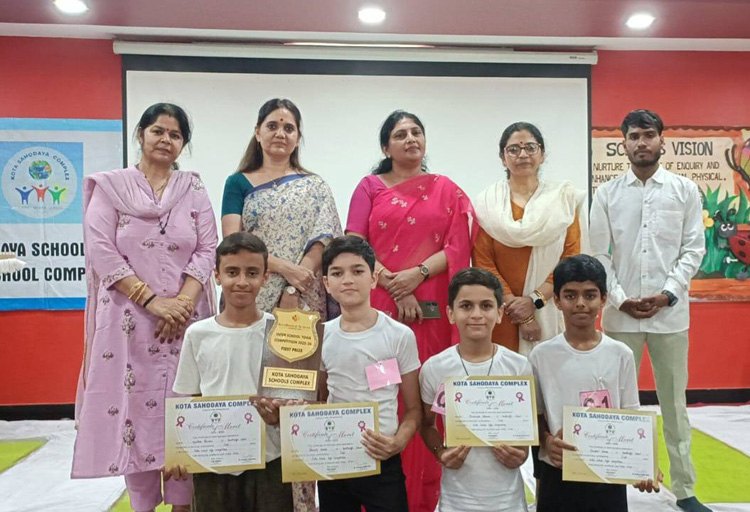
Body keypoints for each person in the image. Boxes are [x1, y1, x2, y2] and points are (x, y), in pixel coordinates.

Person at [72, 103, 218, 512]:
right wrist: (153, 302)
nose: (166, 140)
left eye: (175, 134)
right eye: (158, 131)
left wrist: (181, 304)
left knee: (184, 402)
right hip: (129, 320)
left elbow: (208, 246)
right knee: (133, 407)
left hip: (186, 321)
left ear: (183, 144)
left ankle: (184, 504)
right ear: (141, 134)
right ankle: (142, 504)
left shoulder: (193, 188)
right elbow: (101, 248)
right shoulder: (110, 187)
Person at [345, 110, 474, 512]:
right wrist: (392, 284)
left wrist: (415, 275)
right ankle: (376, 492)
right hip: (382, 306)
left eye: (416, 132)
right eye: (400, 134)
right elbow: (355, 245)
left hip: (430, 310)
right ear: (386, 147)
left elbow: (458, 245)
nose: (410, 139)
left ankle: (423, 497)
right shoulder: (369, 187)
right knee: (384, 389)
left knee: (428, 392)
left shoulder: (446, 190)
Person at [221, 98, 341, 510]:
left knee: (297, 401)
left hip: (303, 305)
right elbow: (233, 243)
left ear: (298, 137)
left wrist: (295, 285)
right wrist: (285, 270)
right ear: (257, 132)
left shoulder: (315, 184)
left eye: (289, 127)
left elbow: (324, 238)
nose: (280, 133)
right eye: (272, 125)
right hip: (250, 295)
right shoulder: (238, 183)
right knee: (250, 393)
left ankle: (301, 504)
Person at [589, 110, 709, 512]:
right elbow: (599, 254)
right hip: (619, 316)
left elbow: (693, 249)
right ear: (623, 144)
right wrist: (619, 298)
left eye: (649, 135)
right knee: (611, 403)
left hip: (670, 317)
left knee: (674, 404)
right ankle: (607, 484)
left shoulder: (684, 190)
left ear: (662, 141)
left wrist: (668, 294)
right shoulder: (607, 194)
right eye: (634, 136)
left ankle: (685, 490)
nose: (642, 142)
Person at [168, 232, 293, 511]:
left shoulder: (283, 334)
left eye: (252, 273)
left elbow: (294, 400)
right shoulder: (198, 334)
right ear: (216, 276)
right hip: (213, 462)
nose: (242, 281)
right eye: (232, 272)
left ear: (265, 277)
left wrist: (280, 416)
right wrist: (180, 450)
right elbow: (190, 400)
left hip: (270, 459)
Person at [529, 255, 661, 511]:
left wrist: (643, 465)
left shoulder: (621, 354)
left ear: (603, 299)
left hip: (608, 474)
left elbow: (631, 415)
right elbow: (536, 414)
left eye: (589, 295)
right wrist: (547, 441)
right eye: (570, 295)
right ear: (557, 300)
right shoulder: (541, 356)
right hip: (559, 470)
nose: (580, 303)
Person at [319, 235, 422, 512]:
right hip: (335, 462)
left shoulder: (399, 335)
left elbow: (414, 409)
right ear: (326, 283)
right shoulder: (321, 336)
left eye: (357, 271)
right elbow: (318, 401)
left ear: (374, 278)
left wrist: (397, 443)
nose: (347, 280)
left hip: (383, 461)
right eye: (337, 273)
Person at [419, 267, 531, 511]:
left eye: (486, 306)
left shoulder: (519, 366)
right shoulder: (435, 368)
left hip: (508, 501)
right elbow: (426, 424)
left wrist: (521, 453)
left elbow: (526, 430)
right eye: (466, 306)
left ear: (499, 313)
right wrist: (440, 452)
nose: (476, 314)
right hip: (456, 501)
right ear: (451, 313)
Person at [473, 121, 587, 357]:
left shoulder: (563, 200)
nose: (523, 155)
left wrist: (535, 301)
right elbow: (483, 262)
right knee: (506, 373)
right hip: (502, 311)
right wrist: (518, 310)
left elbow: (571, 259)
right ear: (503, 158)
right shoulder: (488, 204)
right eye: (514, 149)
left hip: (551, 307)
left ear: (542, 154)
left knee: (551, 371)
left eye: (531, 148)